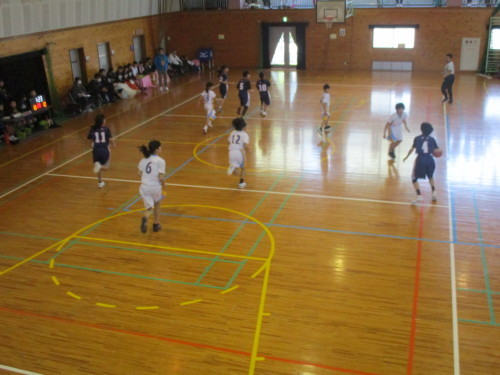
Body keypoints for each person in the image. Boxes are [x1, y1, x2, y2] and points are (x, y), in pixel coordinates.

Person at [403, 122, 440, 204]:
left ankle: (419, 195)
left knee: (414, 178)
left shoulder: (417, 138)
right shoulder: (432, 139)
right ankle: (434, 192)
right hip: (430, 159)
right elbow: (437, 150)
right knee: (430, 176)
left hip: (420, 159)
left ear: (421, 129)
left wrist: (406, 156)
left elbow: (412, 149)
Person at [138, 140, 166, 233]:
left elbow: (139, 173)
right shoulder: (160, 161)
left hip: (144, 187)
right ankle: (156, 224)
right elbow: (161, 178)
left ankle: (145, 218)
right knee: (157, 204)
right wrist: (164, 187)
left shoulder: (143, 160)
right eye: (160, 147)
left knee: (149, 208)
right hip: (154, 187)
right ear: (157, 149)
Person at [87, 114, 115, 188]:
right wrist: (114, 144)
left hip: (95, 150)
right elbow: (111, 139)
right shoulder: (106, 129)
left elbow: (89, 138)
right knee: (106, 167)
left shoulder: (92, 129)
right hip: (104, 149)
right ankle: (99, 167)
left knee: (98, 164)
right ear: (102, 121)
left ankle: (100, 182)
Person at [227, 117, 250, 189]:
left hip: (231, 152)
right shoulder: (244, 134)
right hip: (240, 152)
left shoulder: (232, 133)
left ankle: (233, 167)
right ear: (243, 126)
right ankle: (241, 183)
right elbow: (245, 144)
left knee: (236, 172)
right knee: (243, 168)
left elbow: (228, 141)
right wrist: (249, 150)